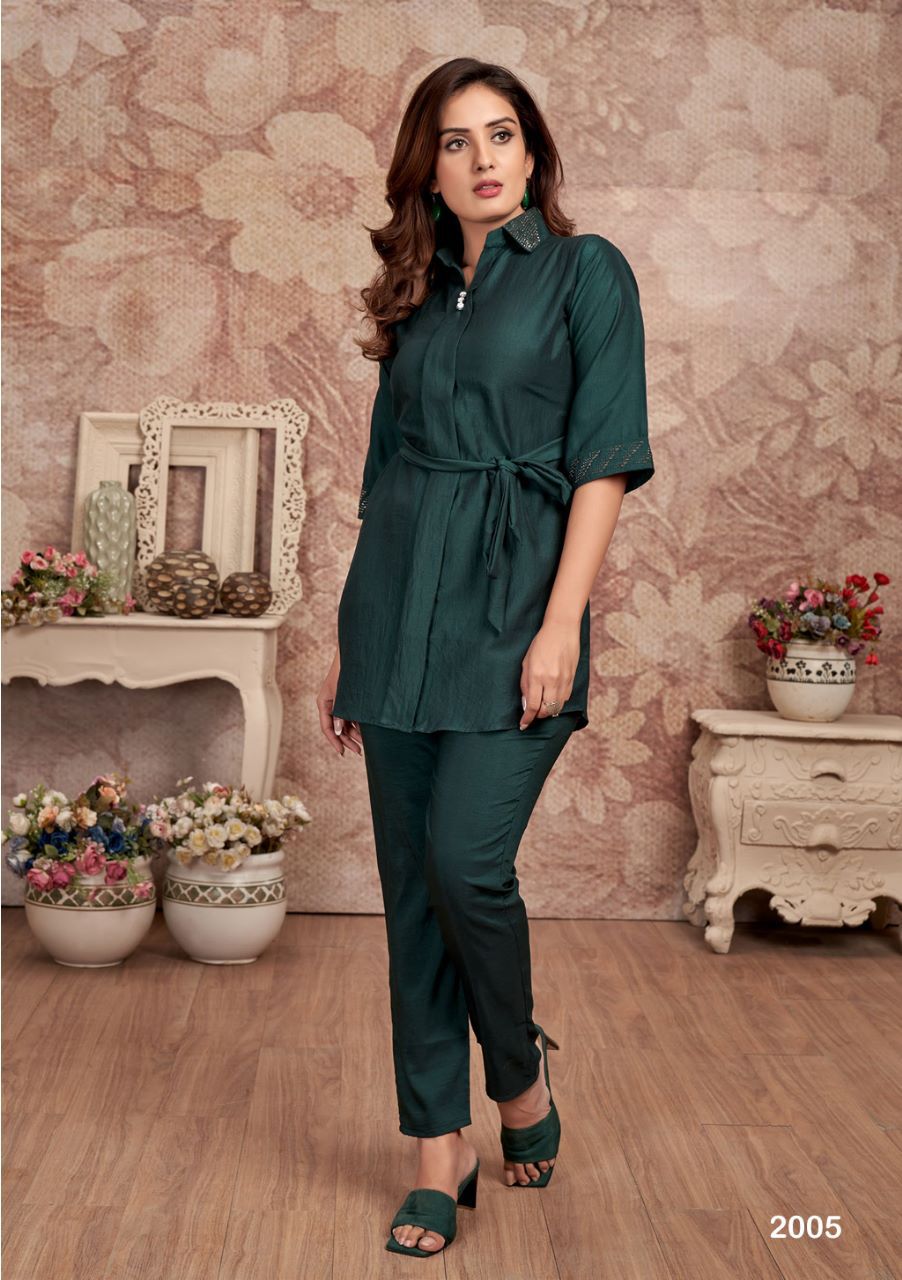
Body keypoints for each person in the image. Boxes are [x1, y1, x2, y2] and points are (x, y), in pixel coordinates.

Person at [317, 57, 655, 1258]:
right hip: (395, 609)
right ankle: (435, 1147)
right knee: (410, 890)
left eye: (500, 134)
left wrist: (560, 623)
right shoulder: (411, 293)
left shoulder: (583, 271)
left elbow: (603, 459)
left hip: (515, 606)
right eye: (455, 142)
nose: (481, 159)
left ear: (532, 150)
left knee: (465, 865)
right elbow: (381, 477)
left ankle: (515, 1073)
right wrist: (350, 641)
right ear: (428, 169)